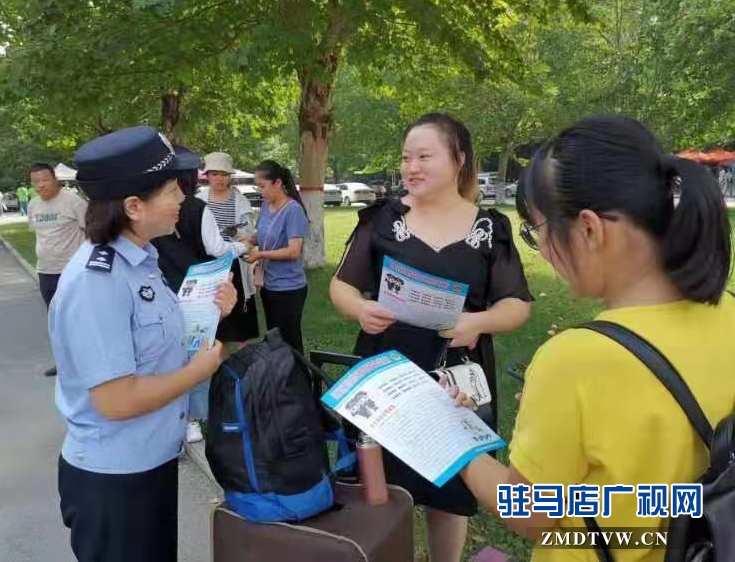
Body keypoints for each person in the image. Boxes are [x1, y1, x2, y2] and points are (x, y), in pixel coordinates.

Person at [444, 116, 734, 562]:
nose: (540, 248)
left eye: (536, 230)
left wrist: (457, 441)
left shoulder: (575, 359)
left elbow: (527, 513)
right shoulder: (728, 309)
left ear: (589, 229)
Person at [329, 112, 533, 562]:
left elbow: (517, 304)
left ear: (459, 160)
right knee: (380, 481)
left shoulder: (489, 229)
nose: (411, 167)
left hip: (457, 381)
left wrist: (476, 323)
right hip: (387, 371)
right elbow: (341, 285)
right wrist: (360, 308)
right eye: (406, 158)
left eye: (424, 156)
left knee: (452, 487)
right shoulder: (381, 220)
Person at [50, 126, 237, 562]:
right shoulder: (97, 282)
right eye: (173, 191)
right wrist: (198, 373)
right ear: (134, 206)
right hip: (115, 478)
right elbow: (116, 400)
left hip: (150, 461)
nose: (182, 201)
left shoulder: (142, 259)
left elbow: (155, 345)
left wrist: (212, 313)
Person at [151, 146, 248, 444]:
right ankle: (195, 418)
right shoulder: (196, 207)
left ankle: (181, 416)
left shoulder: (153, 210)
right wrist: (243, 248)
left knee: (173, 352)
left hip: (160, 288)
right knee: (197, 350)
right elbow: (217, 249)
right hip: (196, 290)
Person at [243, 159, 310, 353]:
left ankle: (301, 380)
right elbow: (265, 235)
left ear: (278, 183)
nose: (259, 191)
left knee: (290, 341)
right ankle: (280, 379)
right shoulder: (265, 206)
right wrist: (248, 239)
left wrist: (260, 255)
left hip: (289, 288)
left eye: (262, 186)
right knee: (274, 338)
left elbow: (294, 250)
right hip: (268, 285)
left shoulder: (293, 210)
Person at [28, 162, 88, 377]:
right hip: (46, 271)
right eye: (36, 181)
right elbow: (39, 234)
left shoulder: (73, 202)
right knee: (56, 320)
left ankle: (87, 362)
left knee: (79, 318)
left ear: (55, 179)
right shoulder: (33, 205)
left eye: (44, 180)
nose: (40, 185)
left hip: (72, 272)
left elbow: (90, 232)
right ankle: (63, 362)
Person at [197, 151, 260, 345]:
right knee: (212, 324)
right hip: (206, 264)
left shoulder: (240, 201)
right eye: (214, 173)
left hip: (234, 264)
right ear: (207, 175)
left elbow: (249, 235)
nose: (219, 178)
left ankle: (246, 366)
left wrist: (235, 236)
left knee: (241, 321)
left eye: (223, 174)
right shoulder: (198, 200)